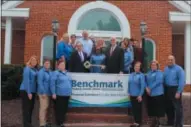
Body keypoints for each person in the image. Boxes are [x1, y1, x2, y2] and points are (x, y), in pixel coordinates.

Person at [163, 55, 185, 127]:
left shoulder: (179, 69)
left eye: (171, 60)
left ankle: (178, 124)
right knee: (168, 107)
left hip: (175, 89)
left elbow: (182, 81)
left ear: (174, 60)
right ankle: (170, 122)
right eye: (169, 59)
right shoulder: (166, 69)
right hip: (167, 89)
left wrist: (178, 91)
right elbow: (163, 79)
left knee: (177, 107)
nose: (170, 61)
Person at [50, 60, 72, 127]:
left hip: (67, 95)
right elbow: (52, 84)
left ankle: (62, 122)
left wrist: (70, 93)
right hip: (59, 95)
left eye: (64, 65)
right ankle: (59, 123)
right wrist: (53, 93)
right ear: (58, 66)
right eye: (61, 65)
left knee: (64, 109)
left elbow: (70, 84)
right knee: (59, 110)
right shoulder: (55, 73)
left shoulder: (67, 73)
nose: (63, 66)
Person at [20, 56, 38, 127]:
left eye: (35, 61)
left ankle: (28, 123)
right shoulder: (27, 69)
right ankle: (26, 124)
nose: (34, 62)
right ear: (30, 61)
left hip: (32, 91)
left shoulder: (35, 69)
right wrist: (29, 92)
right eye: (33, 60)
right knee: (26, 108)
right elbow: (26, 81)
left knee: (31, 108)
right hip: (26, 91)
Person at [146, 60, 165, 127]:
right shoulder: (148, 73)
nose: (153, 66)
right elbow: (145, 81)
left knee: (158, 109)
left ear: (157, 66)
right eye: (152, 65)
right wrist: (146, 88)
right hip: (150, 94)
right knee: (152, 109)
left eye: (154, 65)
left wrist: (149, 88)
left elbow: (158, 81)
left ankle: (159, 123)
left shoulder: (159, 73)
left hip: (158, 93)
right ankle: (153, 123)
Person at [128, 62, 145, 127]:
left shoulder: (141, 75)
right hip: (131, 95)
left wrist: (140, 95)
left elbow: (142, 86)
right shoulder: (131, 74)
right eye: (136, 66)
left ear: (140, 68)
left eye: (138, 66)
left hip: (138, 96)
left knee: (138, 109)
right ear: (134, 67)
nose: (137, 67)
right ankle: (135, 122)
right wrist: (129, 93)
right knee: (134, 109)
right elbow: (129, 84)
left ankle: (138, 123)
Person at [37, 59, 52, 127]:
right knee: (43, 108)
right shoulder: (41, 72)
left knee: (46, 107)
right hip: (43, 93)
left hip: (48, 93)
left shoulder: (50, 72)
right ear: (43, 64)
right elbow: (40, 83)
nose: (47, 64)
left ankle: (45, 122)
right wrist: (42, 92)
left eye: (48, 63)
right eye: (46, 63)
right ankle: (42, 124)